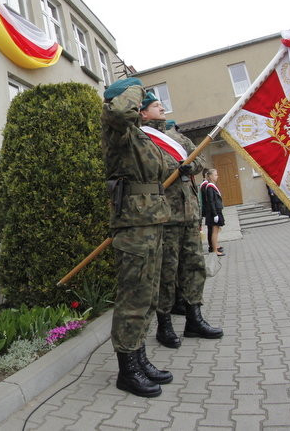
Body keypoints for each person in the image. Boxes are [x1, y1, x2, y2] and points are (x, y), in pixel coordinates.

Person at [101, 80, 177, 398]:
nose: (144, 102)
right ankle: (127, 370)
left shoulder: (139, 135)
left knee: (147, 297)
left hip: (152, 221)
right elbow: (121, 109)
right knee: (133, 298)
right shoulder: (115, 125)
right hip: (133, 226)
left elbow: (164, 168)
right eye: (140, 99)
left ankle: (139, 358)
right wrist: (134, 86)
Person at [147, 116, 222, 350]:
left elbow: (199, 159)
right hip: (165, 216)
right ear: (143, 112)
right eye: (155, 105)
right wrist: (171, 170)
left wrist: (193, 167)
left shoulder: (178, 137)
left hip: (189, 214)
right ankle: (164, 324)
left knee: (194, 266)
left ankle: (194, 319)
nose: (161, 107)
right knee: (166, 272)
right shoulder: (142, 138)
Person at [200, 169, 225, 255]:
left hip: (215, 211)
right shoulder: (208, 186)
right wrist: (214, 214)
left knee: (215, 230)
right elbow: (210, 201)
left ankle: (215, 247)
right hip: (212, 212)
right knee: (213, 231)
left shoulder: (211, 186)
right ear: (210, 176)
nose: (217, 176)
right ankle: (213, 248)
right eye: (215, 175)